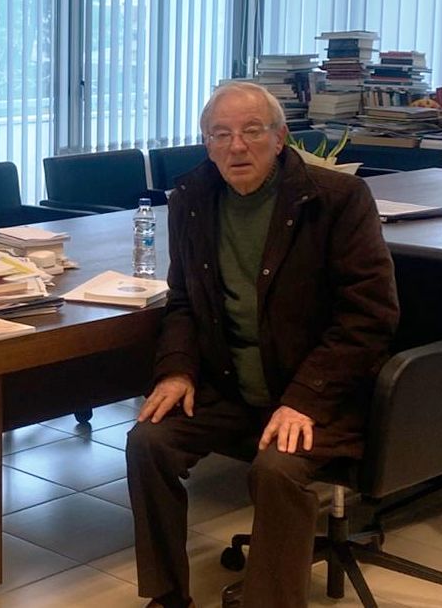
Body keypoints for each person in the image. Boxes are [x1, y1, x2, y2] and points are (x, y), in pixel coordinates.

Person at [126, 81, 399, 608]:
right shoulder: (191, 200)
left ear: (280, 138)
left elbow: (369, 318)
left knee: (277, 470)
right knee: (148, 442)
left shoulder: (336, 199)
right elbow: (183, 301)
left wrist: (304, 399)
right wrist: (177, 369)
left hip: (317, 395)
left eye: (252, 131)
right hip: (230, 388)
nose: (236, 146)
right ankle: (167, 595)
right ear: (206, 144)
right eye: (220, 134)